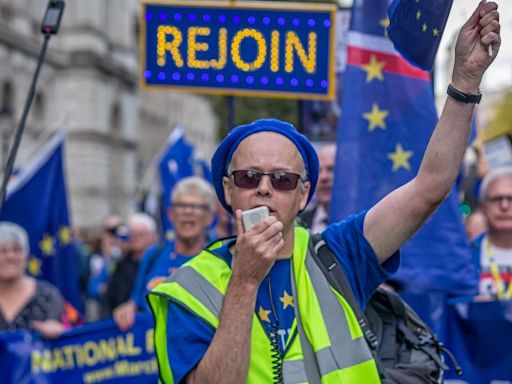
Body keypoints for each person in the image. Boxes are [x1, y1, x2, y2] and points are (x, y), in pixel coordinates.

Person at [148, 3, 501, 383]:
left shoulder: (337, 255)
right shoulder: (188, 288)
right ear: (228, 189)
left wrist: (465, 82)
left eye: (282, 179)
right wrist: (245, 280)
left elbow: (429, 186)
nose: (265, 188)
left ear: (303, 196)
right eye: (250, 177)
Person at [113, 177, 216, 330]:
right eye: (181, 205)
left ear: (209, 217)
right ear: (170, 214)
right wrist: (126, 310)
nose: (187, 211)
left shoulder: (220, 259)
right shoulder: (152, 256)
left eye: (195, 206)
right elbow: (135, 303)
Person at [0, 222, 65, 339]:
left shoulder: (47, 295)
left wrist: (60, 330)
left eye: (17, 250)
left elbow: (75, 333)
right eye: (2, 251)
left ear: (26, 255)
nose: (10, 256)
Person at [100, 212, 157, 318]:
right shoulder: (121, 264)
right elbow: (107, 299)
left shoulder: (160, 261)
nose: (136, 238)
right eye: (133, 234)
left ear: (152, 236)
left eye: (141, 234)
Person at [472, 166, 512, 300]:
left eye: (511, 198)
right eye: (497, 199)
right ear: (483, 206)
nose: (504, 206)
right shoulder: (466, 254)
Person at [299, 143, 336, 233]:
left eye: (331, 169)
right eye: (318, 171)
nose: (323, 177)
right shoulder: (299, 222)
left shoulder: (364, 222)